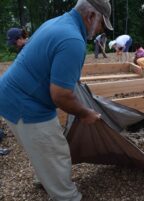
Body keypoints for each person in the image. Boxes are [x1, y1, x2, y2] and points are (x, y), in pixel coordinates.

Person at [0, 0, 113, 200]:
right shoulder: (73, 40)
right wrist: (85, 113)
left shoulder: (57, 22)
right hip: (26, 103)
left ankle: (45, 178)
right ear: (91, 16)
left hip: (12, 93)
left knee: (43, 145)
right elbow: (60, 95)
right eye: (102, 24)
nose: (100, 31)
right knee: (56, 150)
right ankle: (66, 196)